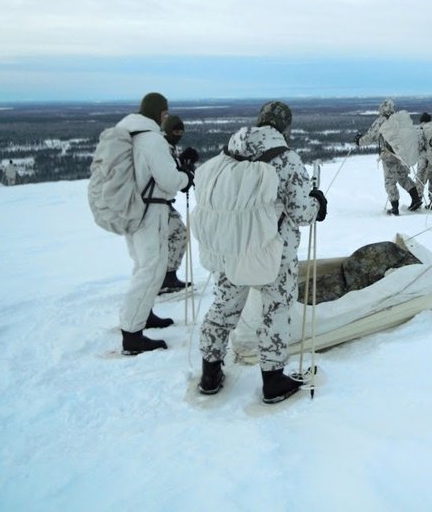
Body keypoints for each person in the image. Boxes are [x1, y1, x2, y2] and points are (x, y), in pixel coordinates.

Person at [198, 101, 327, 404]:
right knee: (275, 310)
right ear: (285, 127)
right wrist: (317, 203)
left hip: (233, 245)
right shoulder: (287, 158)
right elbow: (300, 212)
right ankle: (273, 379)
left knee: (224, 306)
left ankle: (210, 372)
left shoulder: (229, 153)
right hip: (273, 249)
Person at [116, 93, 193, 355]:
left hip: (130, 209)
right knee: (151, 268)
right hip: (150, 212)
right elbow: (169, 181)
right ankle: (132, 335)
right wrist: (186, 176)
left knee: (142, 266)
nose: (165, 117)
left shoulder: (127, 134)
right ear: (159, 112)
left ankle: (142, 316)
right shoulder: (151, 139)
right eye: (164, 112)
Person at [355, 98, 421, 215]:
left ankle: (394, 208)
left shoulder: (381, 121)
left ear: (382, 108)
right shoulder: (398, 119)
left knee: (390, 182)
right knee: (403, 177)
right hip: (401, 154)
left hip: (388, 155)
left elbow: (371, 136)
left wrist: (359, 141)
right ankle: (416, 199)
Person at [159, 115, 199, 295]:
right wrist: (183, 175)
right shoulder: (160, 148)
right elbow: (166, 177)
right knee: (179, 234)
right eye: (175, 131)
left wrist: (182, 163)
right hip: (156, 202)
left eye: (181, 132)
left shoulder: (167, 148)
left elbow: (170, 171)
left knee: (173, 236)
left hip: (161, 202)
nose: (178, 135)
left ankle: (165, 276)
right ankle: (166, 277)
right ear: (166, 131)